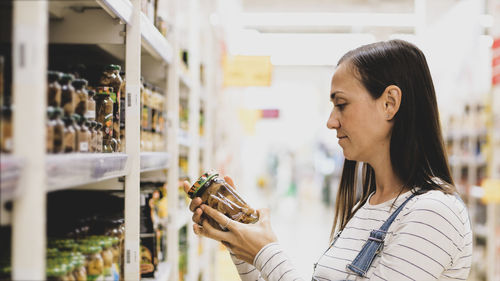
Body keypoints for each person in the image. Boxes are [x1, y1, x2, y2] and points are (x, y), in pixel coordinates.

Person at [183, 39, 472, 281]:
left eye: (341, 105)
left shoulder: (434, 213)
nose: (331, 121)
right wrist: (238, 240)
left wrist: (267, 252)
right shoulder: (368, 205)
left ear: (389, 103)